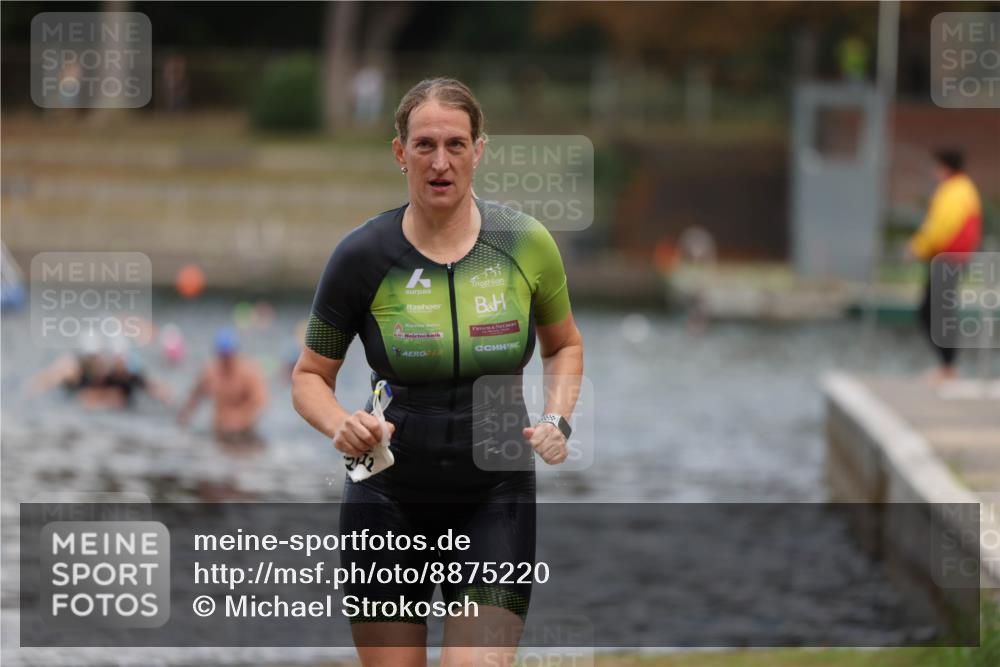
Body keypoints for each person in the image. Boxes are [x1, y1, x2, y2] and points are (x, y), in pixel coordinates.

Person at [291, 78, 584, 666]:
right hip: (386, 493)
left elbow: (565, 346)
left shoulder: (525, 243)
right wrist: (340, 425)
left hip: (495, 493)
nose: (440, 161)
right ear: (400, 153)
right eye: (424, 145)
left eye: (455, 144)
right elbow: (308, 377)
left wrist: (558, 418)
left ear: (479, 149)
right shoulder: (362, 256)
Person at [908, 149, 982, 382]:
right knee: (936, 310)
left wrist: (919, 246)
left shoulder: (954, 191)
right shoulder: (961, 189)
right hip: (950, 258)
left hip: (949, 258)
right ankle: (947, 366)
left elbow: (941, 226)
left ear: (945, 167)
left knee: (936, 311)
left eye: (936, 167)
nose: (934, 172)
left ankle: (948, 367)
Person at [28, 334, 172, 409]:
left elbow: (152, 388)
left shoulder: (130, 375)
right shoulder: (75, 369)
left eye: (123, 359)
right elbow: (83, 398)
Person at [178, 328, 268, 442]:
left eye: (228, 356)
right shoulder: (210, 372)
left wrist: (241, 420)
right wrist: (184, 418)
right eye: (222, 356)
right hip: (218, 430)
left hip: (244, 432)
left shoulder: (249, 373)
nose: (225, 360)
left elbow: (261, 404)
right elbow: (195, 397)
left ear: (235, 352)